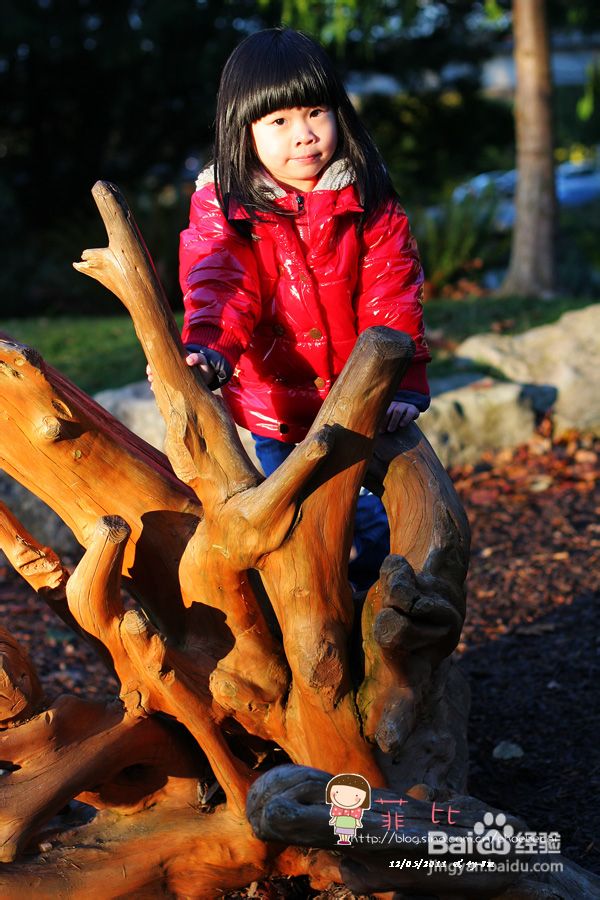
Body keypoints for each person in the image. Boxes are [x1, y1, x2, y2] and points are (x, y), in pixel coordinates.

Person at [176, 27, 430, 590]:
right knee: (297, 527)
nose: (304, 135)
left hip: (357, 400)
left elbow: (392, 291)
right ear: (243, 130)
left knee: (373, 526)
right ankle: (310, 617)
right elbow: (220, 280)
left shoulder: (368, 198)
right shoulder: (225, 206)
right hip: (278, 407)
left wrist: (402, 380)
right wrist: (209, 348)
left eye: (316, 112)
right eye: (279, 121)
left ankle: (374, 611)